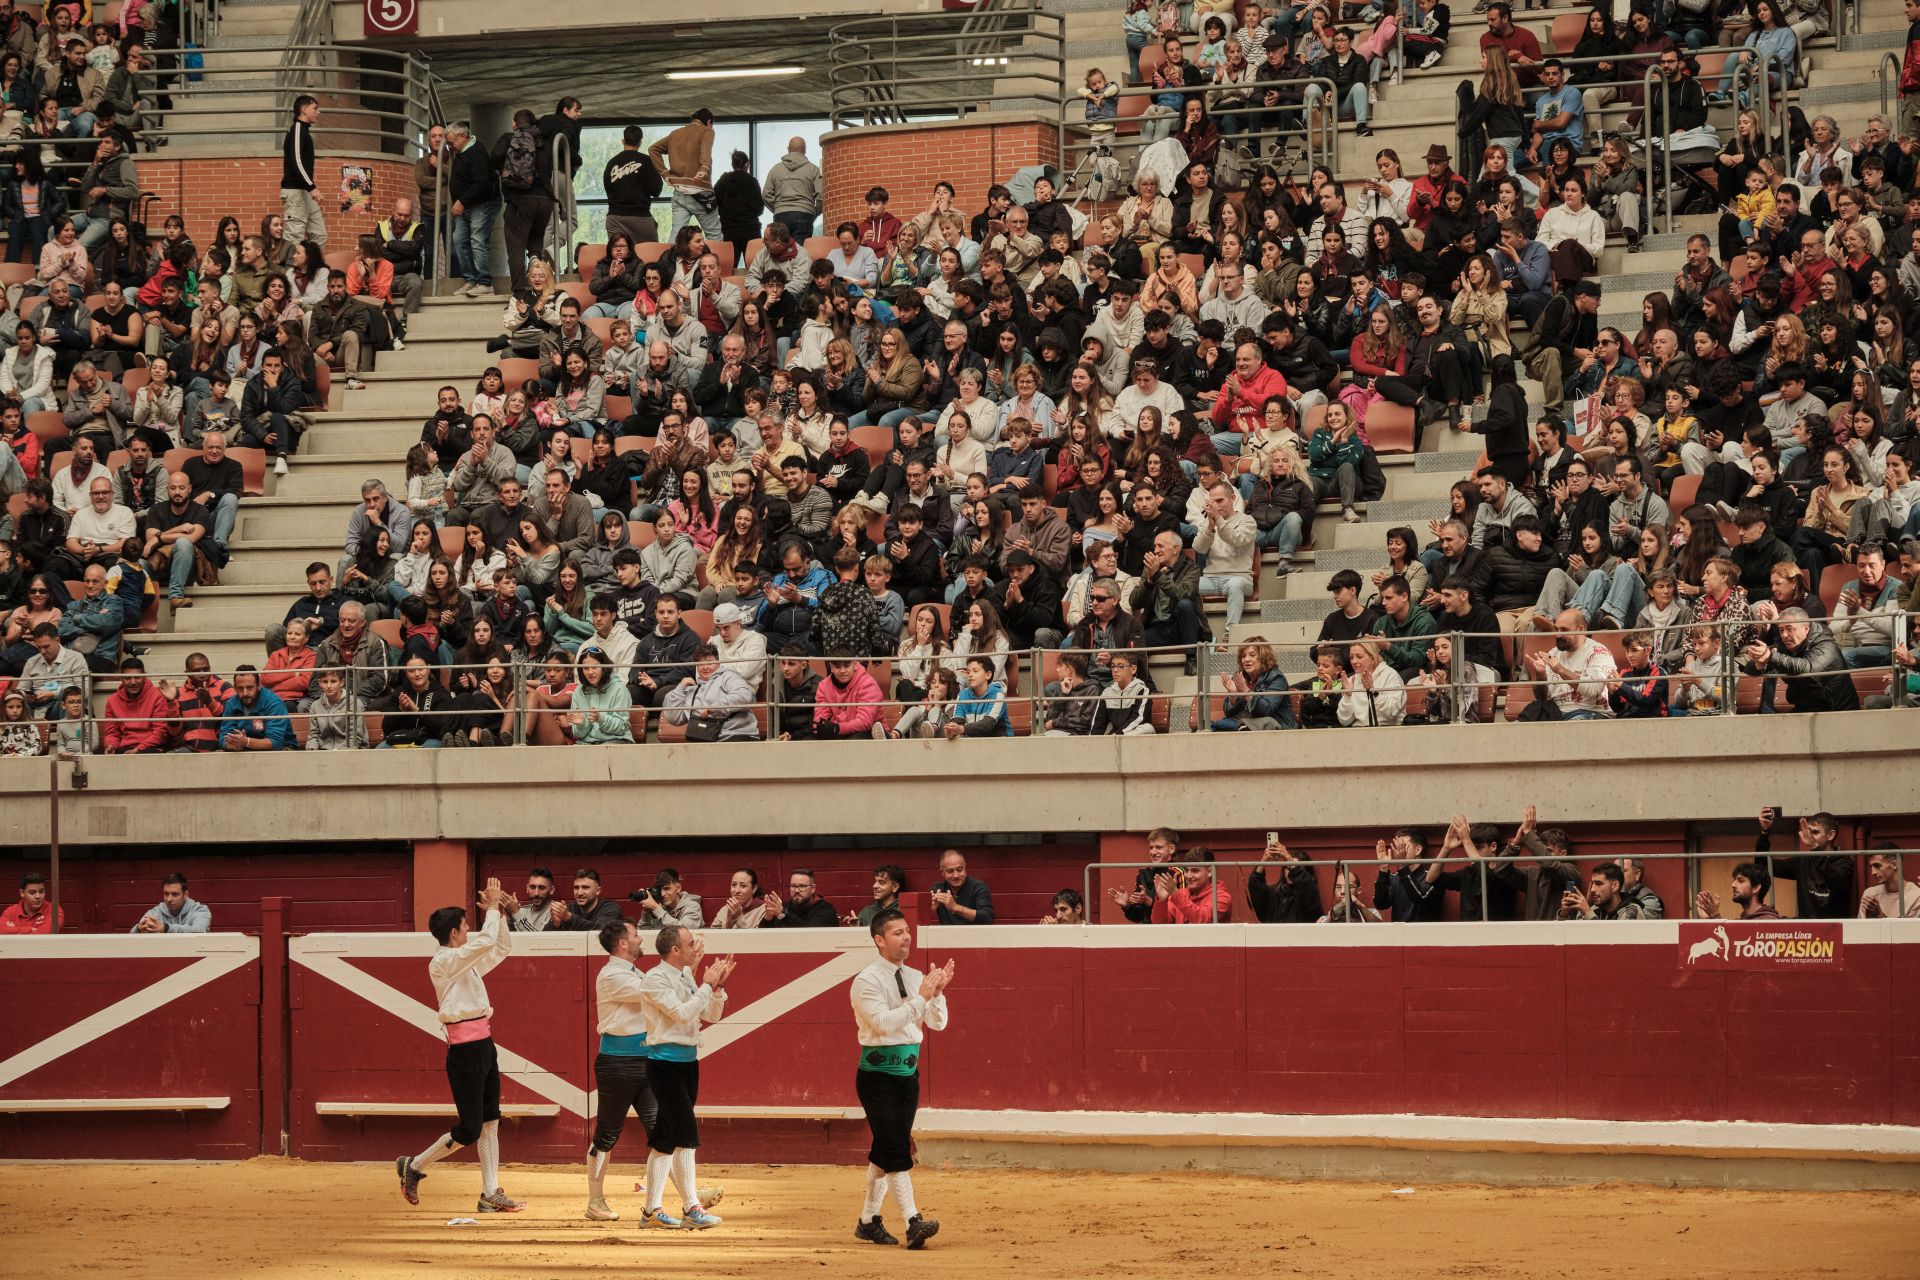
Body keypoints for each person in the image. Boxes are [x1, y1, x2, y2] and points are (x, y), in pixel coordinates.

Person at [395, 878, 526, 1214]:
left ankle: (490, 1193)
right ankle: (415, 1164)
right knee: (469, 1128)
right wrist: (494, 908)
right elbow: (483, 945)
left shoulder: (463, 964)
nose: (468, 931)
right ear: (454, 933)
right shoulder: (443, 963)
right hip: (465, 1053)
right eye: (466, 926)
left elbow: (499, 948)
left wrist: (501, 917)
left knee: (490, 1121)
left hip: (484, 1045)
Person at [850, 907, 952, 1250]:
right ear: (879, 940)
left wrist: (936, 996)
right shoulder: (866, 981)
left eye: (907, 930)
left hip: (908, 1075)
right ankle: (913, 1221)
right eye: (897, 932)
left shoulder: (916, 977)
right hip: (877, 1076)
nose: (906, 937)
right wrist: (923, 997)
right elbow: (883, 1023)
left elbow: (938, 1024)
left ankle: (868, 1221)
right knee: (896, 1148)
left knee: (884, 1150)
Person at [636, 924, 732, 1230]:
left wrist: (714, 989)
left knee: (666, 1139)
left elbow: (710, 1015)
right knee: (686, 1135)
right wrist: (706, 984)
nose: (697, 947)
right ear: (675, 950)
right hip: (664, 1065)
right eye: (691, 943)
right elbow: (680, 1013)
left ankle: (651, 1211)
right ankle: (692, 1208)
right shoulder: (654, 979)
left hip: (687, 1062)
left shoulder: (685, 976)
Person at [1755, 807, 1854, 919]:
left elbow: (1835, 879)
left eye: (1815, 832)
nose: (1810, 837)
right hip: (1807, 930)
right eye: (1809, 832)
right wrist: (1764, 832)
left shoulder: (1845, 862)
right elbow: (1763, 866)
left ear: (1830, 835)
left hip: (1834, 929)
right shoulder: (1803, 860)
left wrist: (1814, 848)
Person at [1694, 861, 1782, 921]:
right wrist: (1707, 919)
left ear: (1755, 888)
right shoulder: (1741, 921)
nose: (1733, 885)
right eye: (1734, 880)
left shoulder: (1769, 921)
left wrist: (1714, 915)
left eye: (1740, 881)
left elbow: (1734, 940)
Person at [130, 872, 210, 933]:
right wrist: (138, 929)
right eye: (166, 894)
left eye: (174, 894)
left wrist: (166, 928)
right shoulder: (155, 912)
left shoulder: (200, 910)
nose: (169, 899)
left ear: (185, 894)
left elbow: (199, 931)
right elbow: (132, 938)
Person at [931, 849, 994, 924]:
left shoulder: (978, 887)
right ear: (942, 873)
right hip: (947, 934)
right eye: (950, 871)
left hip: (974, 934)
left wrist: (956, 908)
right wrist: (932, 909)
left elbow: (988, 917)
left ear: (965, 867)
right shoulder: (938, 889)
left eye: (959, 870)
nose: (956, 875)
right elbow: (922, 919)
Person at [761, 868, 840, 927]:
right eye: (793, 886)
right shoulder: (783, 907)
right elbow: (762, 938)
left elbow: (811, 935)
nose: (796, 890)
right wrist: (768, 918)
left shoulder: (825, 909)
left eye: (802, 886)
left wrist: (783, 914)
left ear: (813, 889)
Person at [1859, 847, 1920, 918]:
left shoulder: (1916, 896)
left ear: (1894, 865)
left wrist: (1880, 915)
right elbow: (1861, 927)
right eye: (1871, 867)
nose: (1873, 872)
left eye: (1877, 866)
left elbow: (1908, 928)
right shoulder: (1870, 894)